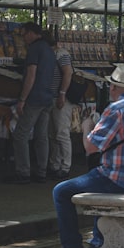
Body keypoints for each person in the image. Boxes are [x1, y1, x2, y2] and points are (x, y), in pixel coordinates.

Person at [46, 63, 124, 248]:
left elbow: (91, 148)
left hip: (119, 180)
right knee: (98, 177)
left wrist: (87, 127)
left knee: (61, 191)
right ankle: (98, 241)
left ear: (113, 88)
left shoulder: (116, 109)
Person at [8, 21, 57, 184]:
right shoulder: (50, 50)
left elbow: (31, 75)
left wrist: (22, 99)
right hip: (47, 97)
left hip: (34, 98)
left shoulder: (34, 49)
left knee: (21, 134)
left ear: (31, 33)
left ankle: (23, 172)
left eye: (24, 34)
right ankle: (41, 171)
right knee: (41, 136)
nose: (24, 38)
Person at [48, 37, 75, 180]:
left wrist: (62, 94)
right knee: (54, 133)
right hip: (53, 97)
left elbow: (68, 72)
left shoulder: (61, 54)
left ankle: (65, 166)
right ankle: (55, 164)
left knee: (61, 133)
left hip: (60, 98)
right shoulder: (55, 54)